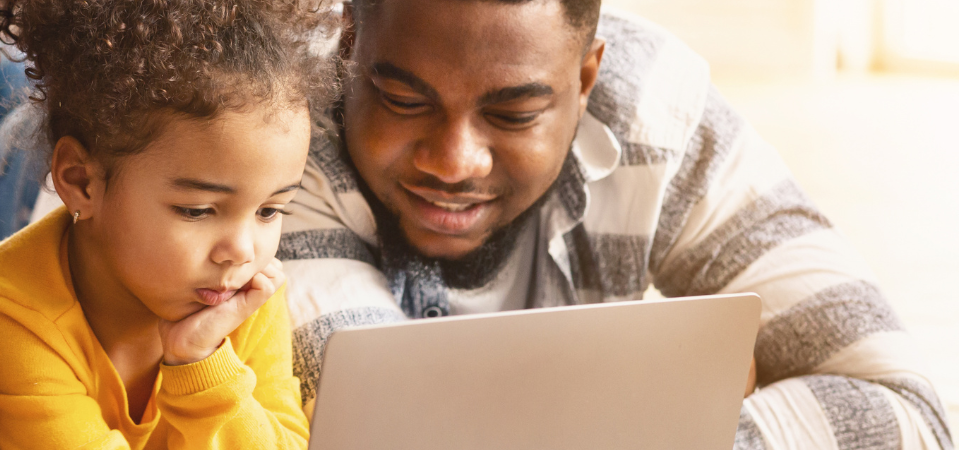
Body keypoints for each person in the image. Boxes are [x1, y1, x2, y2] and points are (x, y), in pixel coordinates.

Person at [278, 0, 953, 448]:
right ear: (348, 49)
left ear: (587, 76)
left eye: (514, 114)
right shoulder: (274, 131)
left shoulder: (653, 108)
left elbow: (907, 413)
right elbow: (384, 435)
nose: (455, 162)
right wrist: (674, 426)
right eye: (402, 98)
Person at [0, 0, 337, 448]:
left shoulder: (240, 295)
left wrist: (202, 361)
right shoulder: (7, 322)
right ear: (81, 181)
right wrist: (199, 375)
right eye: (197, 211)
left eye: (269, 211)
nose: (242, 250)